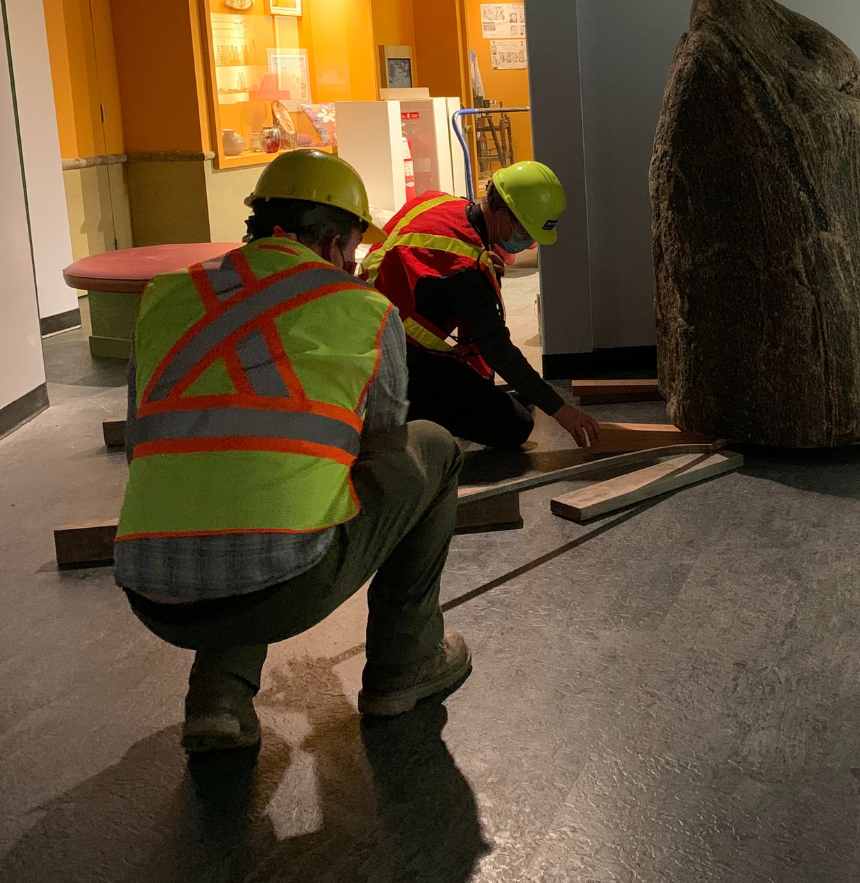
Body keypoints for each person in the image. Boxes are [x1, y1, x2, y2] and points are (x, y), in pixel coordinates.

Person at [115, 149, 472, 754]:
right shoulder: (362, 308)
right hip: (283, 589)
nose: (354, 263)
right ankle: (403, 666)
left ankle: (217, 697)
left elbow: (138, 447)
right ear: (334, 243)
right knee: (432, 451)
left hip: (153, 592)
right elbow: (386, 457)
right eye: (355, 248)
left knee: (226, 480)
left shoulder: (167, 297)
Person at [361, 161, 599, 451]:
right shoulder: (464, 268)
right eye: (525, 232)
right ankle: (410, 415)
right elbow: (498, 350)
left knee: (516, 399)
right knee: (517, 425)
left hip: (372, 333)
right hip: (397, 365)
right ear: (501, 213)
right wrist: (563, 411)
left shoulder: (440, 202)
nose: (526, 242)